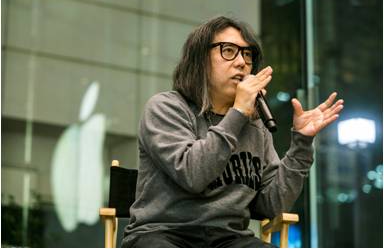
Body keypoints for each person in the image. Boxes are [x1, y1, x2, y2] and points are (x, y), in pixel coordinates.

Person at [121, 16, 344, 248]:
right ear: (199, 60)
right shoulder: (166, 108)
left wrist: (302, 143)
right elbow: (192, 175)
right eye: (229, 51)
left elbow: (270, 204)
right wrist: (238, 112)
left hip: (228, 239)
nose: (242, 63)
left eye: (247, 54)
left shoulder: (254, 125)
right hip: (164, 234)